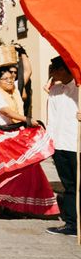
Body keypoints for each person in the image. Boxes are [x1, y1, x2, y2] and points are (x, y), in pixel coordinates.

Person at [0, 67, 59, 215]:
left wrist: (22, 52)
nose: (10, 81)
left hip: (16, 134)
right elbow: (6, 111)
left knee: (23, 171)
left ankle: (8, 204)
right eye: (5, 79)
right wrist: (27, 119)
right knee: (3, 173)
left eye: (11, 78)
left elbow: (27, 73)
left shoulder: (14, 91)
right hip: (0, 138)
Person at [46, 56, 79, 236]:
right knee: (69, 186)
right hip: (60, 145)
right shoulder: (55, 91)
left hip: (76, 145)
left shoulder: (79, 90)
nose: (52, 72)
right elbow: (51, 118)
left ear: (66, 70)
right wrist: (50, 144)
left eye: (56, 69)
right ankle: (71, 223)